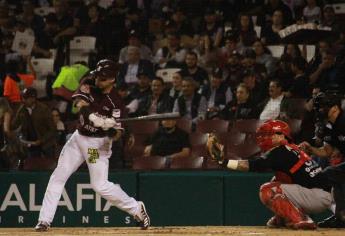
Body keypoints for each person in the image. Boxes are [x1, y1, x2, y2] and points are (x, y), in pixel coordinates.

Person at [34, 59, 150, 231]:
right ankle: (44, 220)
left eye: (103, 78)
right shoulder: (89, 80)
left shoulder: (116, 103)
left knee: (99, 185)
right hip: (78, 138)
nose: (98, 81)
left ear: (112, 79)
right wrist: (94, 118)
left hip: (96, 146)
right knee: (58, 176)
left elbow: (118, 134)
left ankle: (136, 209)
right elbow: (79, 103)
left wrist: (110, 130)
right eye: (98, 76)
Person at [209, 120, 333, 229]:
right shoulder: (290, 148)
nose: (264, 138)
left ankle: (301, 219)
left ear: (281, 136)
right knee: (277, 180)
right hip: (320, 194)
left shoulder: (280, 150)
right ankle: (283, 217)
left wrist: (224, 162)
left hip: (317, 196)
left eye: (268, 134)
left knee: (268, 189)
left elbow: (254, 165)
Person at [299, 92, 345, 228]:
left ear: (335, 108)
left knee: (332, 173)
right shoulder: (328, 126)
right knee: (332, 175)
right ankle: (341, 216)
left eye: (324, 107)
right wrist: (310, 149)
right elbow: (327, 151)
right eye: (319, 107)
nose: (320, 110)